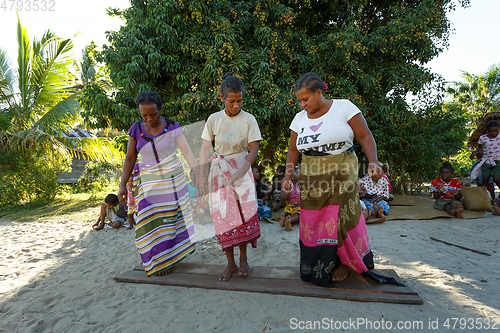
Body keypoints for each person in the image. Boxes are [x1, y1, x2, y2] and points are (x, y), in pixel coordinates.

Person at [281, 72, 402, 288]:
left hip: (342, 169)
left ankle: (342, 262)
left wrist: (373, 162)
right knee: (315, 218)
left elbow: (364, 135)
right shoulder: (299, 119)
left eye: (305, 99)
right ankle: (319, 261)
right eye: (299, 100)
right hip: (312, 175)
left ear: (319, 93)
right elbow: (292, 150)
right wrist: (288, 176)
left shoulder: (344, 107)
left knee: (340, 215)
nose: (302, 105)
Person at [117, 91, 199, 277]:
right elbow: (130, 158)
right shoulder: (136, 129)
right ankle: (156, 257)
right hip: (148, 179)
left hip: (172, 180)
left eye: (153, 114)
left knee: (169, 220)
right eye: (144, 115)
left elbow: (186, 151)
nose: (149, 118)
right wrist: (122, 185)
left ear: (161, 109)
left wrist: (197, 172)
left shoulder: (171, 126)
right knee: (147, 218)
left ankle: (166, 259)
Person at [199, 73, 262, 282]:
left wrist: (242, 171)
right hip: (219, 175)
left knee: (243, 216)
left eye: (240, 100)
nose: (236, 105)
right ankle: (231, 263)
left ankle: (244, 258)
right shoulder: (214, 120)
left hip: (242, 173)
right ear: (222, 98)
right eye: (231, 101)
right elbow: (205, 148)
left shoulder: (249, 119)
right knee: (224, 219)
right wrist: (201, 176)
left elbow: (253, 151)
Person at [471, 120, 500, 191]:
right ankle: (482, 194)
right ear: (487, 131)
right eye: (491, 131)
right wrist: (474, 152)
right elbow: (480, 147)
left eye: (496, 131)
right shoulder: (483, 138)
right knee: (485, 179)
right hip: (486, 160)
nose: (494, 133)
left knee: (496, 178)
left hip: (498, 159)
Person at [279, 166, 301, 231]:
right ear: (292, 175)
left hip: (300, 205)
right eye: (297, 173)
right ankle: (286, 220)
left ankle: (288, 220)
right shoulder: (286, 183)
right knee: (287, 212)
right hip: (289, 205)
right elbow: (282, 199)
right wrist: (288, 190)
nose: (299, 175)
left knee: (300, 214)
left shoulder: (304, 184)